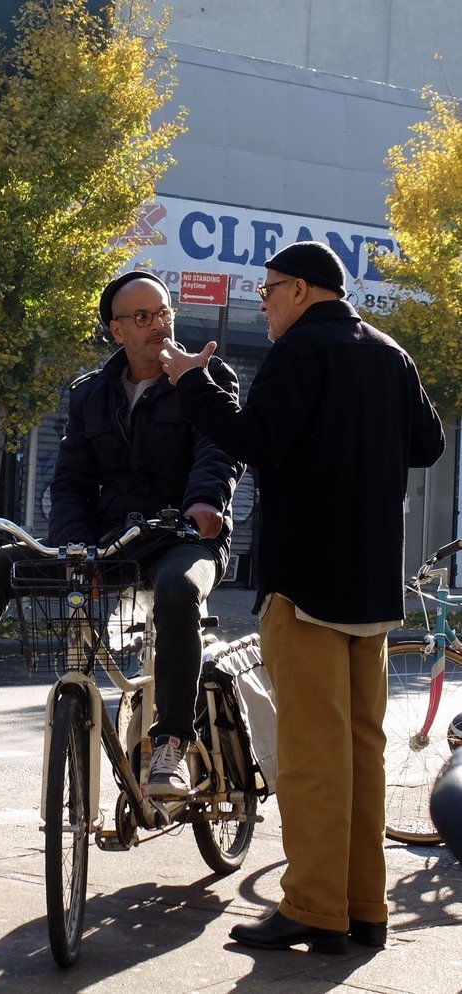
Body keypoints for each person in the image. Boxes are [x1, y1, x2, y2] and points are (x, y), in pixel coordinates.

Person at [159, 241, 445, 953]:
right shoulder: (389, 353)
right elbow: (428, 446)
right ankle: (363, 907)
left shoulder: (301, 351)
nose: (263, 302)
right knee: (359, 750)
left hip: (306, 582)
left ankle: (315, 908)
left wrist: (192, 384)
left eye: (269, 290)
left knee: (313, 755)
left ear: (301, 290)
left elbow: (254, 438)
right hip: (374, 583)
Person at [0, 270, 244, 799]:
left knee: (178, 590)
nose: (157, 326)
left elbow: (220, 449)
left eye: (163, 313)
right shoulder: (90, 394)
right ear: (116, 330)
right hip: (113, 542)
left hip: (184, 538)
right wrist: (76, 550)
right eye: (142, 317)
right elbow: (73, 480)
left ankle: (171, 744)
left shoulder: (204, 375)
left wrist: (204, 505)